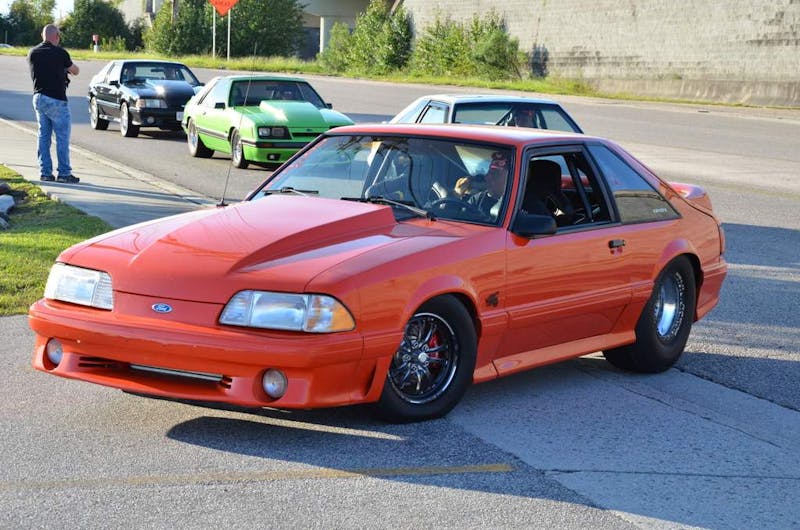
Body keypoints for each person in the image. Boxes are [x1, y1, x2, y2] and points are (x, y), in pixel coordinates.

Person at [27, 24, 80, 183]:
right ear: (56, 36)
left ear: (42, 36)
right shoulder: (60, 53)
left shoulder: (33, 53)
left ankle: (45, 173)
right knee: (62, 138)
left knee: (44, 136)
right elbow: (75, 70)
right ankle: (64, 173)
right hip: (56, 99)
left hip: (39, 97)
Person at [466, 153, 508, 219]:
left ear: (510, 179)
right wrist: (456, 194)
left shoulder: (517, 203)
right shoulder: (477, 200)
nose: (487, 177)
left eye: (495, 174)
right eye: (488, 172)